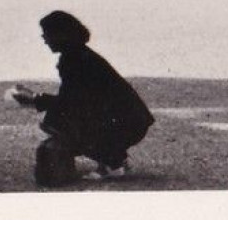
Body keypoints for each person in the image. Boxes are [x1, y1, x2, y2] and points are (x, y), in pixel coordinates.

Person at [10, 11, 155, 187]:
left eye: (47, 33)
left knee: (57, 121)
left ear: (61, 35)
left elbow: (71, 102)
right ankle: (114, 158)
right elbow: (76, 99)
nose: (44, 38)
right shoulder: (79, 55)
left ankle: (112, 163)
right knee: (63, 118)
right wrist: (36, 98)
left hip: (126, 124)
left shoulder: (74, 60)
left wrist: (34, 99)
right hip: (133, 121)